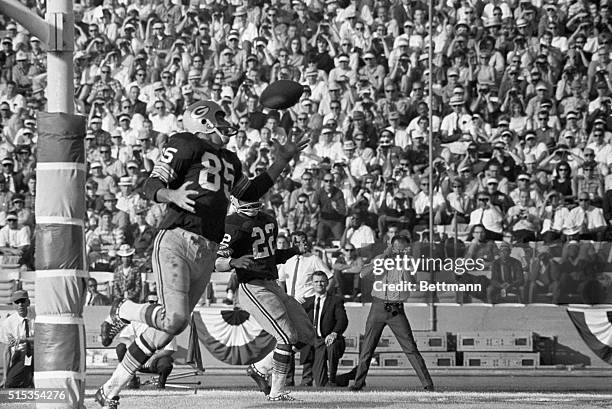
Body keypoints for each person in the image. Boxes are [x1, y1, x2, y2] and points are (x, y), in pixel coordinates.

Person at [96, 100, 307, 408]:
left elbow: (248, 193)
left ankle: (108, 391)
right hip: (177, 240)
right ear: (203, 120)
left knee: (164, 333)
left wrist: (281, 161)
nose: (225, 120)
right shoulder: (186, 143)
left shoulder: (231, 160)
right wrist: (173, 195)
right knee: (176, 319)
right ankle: (124, 308)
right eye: (219, 115)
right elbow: (151, 184)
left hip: (207, 250)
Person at [215, 197, 314, 401]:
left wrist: (295, 251)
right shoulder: (232, 223)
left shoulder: (268, 219)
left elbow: (271, 255)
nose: (251, 205)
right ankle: (276, 393)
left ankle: (260, 368)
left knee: (305, 334)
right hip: (253, 286)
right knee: (286, 337)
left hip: (272, 283)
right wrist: (233, 261)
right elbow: (216, 262)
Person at [340, 235, 434, 391]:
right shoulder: (381, 259)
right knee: (367, 347)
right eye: (396, 247)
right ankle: (358, 383)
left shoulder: (408, 262)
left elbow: (412, 284)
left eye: (402, 247)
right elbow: (363, 274)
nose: (399, 250)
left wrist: (404, 265)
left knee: (410, 347)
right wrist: (384, 257)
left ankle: (427, 384)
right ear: (391, 246)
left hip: (396, 310)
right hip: (378, 307)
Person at [115, 294, 176, 390]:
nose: (155, 304)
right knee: (121, 348)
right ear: (146, 303)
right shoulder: (137, 321)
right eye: (151, 302)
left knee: (166, 363)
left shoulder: (166, 322)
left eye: (157, 302)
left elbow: (170, 349)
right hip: (136, 358)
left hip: (153, 361)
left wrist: (153, 357)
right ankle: (132, 379)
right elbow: (121, 337)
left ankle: (161, 385)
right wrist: (129, 342)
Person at [301, 271, 348, 387]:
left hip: (329, 340)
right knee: (321, 383)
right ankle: (346, 377)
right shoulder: (306, 303)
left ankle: (332, 378)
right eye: (316, 281)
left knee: (332, 345)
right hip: (314, 342)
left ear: (327, 283)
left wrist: (334, 333)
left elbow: (342, 320)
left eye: (322, 281)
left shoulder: (335, 301)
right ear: (312, 284)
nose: (319, 284)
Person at [0, 290, 34, 388]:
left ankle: (30, 379)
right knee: (9, 384)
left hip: (39, 354)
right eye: (17, 302)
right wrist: (5, 377)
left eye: (23, 301)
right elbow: (7, 351)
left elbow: (43, 339)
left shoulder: (38, 316)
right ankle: (27, 379)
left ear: (28, 302)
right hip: (21, 356)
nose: (20, 305)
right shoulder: (7, 323)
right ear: (13, 305)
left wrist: (25, 340)